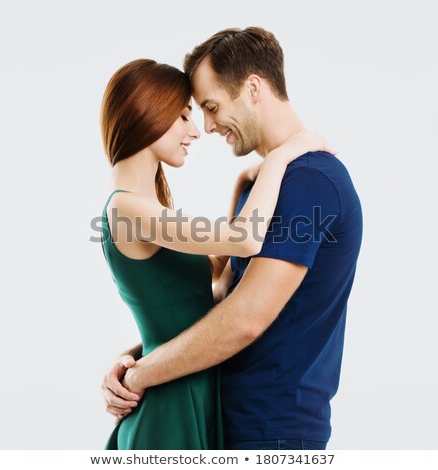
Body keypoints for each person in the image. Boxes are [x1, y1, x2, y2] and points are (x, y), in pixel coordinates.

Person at [99, 57, 332, 450]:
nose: (195, 131)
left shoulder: (144, 206)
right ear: (148, 112)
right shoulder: (126, 209)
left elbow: (214, 277)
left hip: (184, 387)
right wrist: (281, 156)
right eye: (183, 116)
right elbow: (244, 240)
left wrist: (241, 183)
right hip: (168, 404)